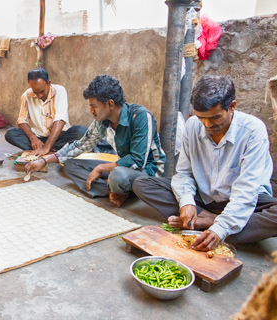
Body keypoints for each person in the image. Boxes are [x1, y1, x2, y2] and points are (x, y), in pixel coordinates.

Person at [133, 75, 277, 251]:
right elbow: (184, 173)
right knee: (142, 184)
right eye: (202, 117)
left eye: (215, 118)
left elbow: (247, 191)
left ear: (232, 106)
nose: (208, 124)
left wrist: (220, 228)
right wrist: (187, 203)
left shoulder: (253, 131)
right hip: (205, 197)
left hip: (244, 200)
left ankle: (211, 222)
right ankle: (211, 220)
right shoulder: (193, 125)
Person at [25, 74, 166, 207]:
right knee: (69, 165)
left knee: (117, 175)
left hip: (147, 172)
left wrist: (100, 168)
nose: (91, 111)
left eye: (94, 106)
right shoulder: (102, 121)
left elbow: (137, 160)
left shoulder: (140, 116)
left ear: (110, 104)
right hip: (120, 167)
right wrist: (43, 161)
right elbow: (80, 145)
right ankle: (115, 191)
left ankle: (118, 188)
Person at [5, 67, 87, 156]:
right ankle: (52, 149)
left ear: (49, 83)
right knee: (11, 134)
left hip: (59, 137)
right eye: (35, 92)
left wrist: (46, 148)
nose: (39, 95)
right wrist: (33, 138)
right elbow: (21, 121)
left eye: (42, 91)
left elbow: (60, 120)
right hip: (39, 138)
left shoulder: (59, 91)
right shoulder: (26, 95)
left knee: (81, 132)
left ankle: (47, 148)